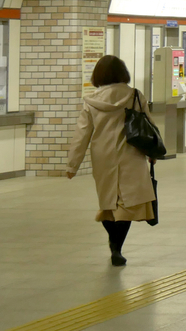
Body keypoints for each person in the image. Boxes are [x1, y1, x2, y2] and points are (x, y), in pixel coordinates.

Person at [67, 55, 157, 266]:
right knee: (127, 205)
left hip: (103, 157)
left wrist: (73, 165)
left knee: (108, 203)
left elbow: (82, 135)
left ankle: (113, 243)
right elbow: (149, 126)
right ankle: (117, 247)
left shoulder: (91, 101)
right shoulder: (135, 96)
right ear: (123, 73)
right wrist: (153, 153)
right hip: (131, 155)